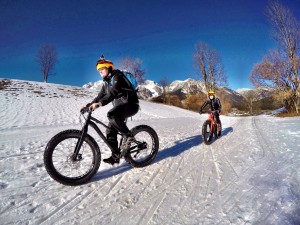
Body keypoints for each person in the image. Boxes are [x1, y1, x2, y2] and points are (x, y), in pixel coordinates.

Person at [82, 55, 139, 165]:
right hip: (120, 108)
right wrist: (88, 105)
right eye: (99, 71)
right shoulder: (106, 83)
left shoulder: (117, 77)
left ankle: (129, 135)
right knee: (110, 131)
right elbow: (100, 95)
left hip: (131, 105)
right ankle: (115, 156)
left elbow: (113, 93)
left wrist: (99, 104)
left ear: (109, 68)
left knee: (112, 114)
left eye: (102, 69)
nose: (100, 72)